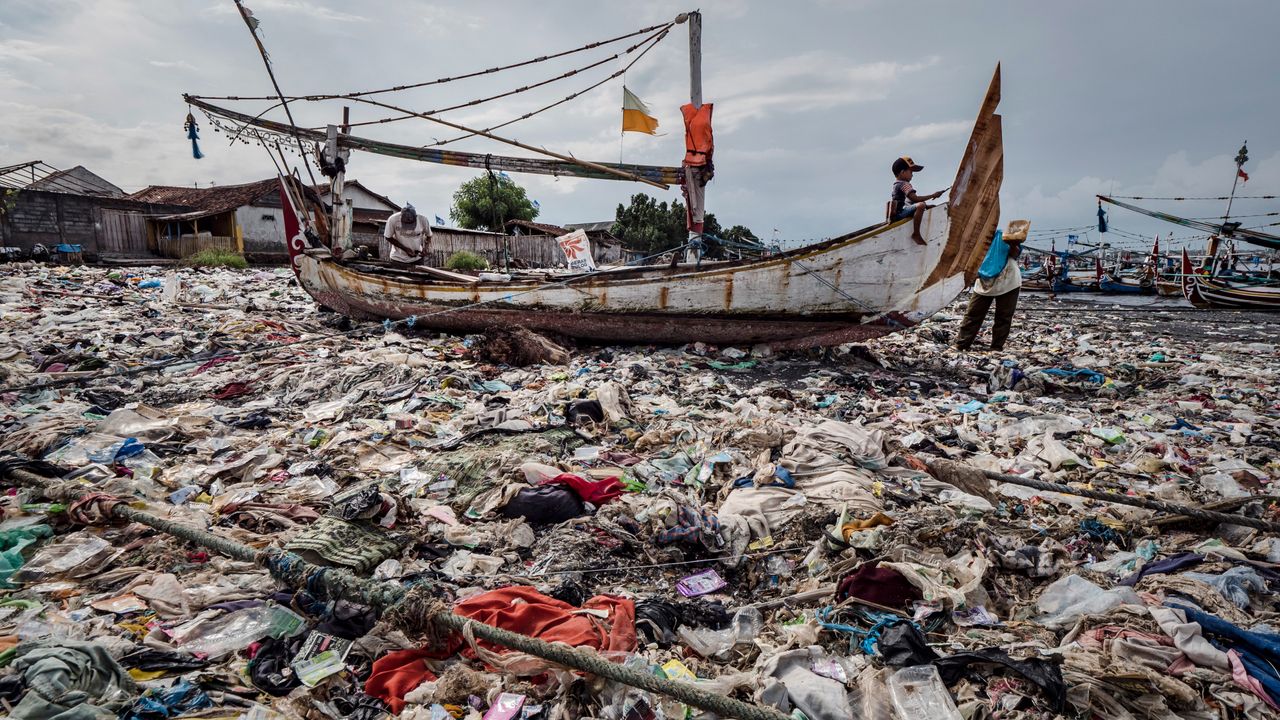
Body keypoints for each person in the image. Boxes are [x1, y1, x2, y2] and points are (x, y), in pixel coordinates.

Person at [955, 226, 1024, 351]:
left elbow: (1015, 253)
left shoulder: (1002, 237)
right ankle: (962, 344)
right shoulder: (975, 241)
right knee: (973, 313)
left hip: (1008, 279)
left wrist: (1012, 243)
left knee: (1003, 316)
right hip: (983, 280)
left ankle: (996, 347)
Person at [890, 156, 945, 245]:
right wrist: (933, 195)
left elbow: (911, 200)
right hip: (899, 214)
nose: (912, 174)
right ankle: (916, 234)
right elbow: (914, 198)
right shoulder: (904, 184)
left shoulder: (896, 184)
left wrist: (926, 205)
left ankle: (923, 208)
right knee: (920, 205)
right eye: (911, 171)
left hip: (899, 212)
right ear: (902, 172)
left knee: (921, 204)